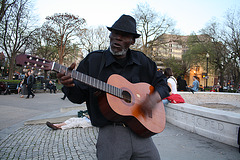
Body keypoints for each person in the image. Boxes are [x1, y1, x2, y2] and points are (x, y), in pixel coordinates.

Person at [57, 14, 170, 160]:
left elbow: (163, 85)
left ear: (132, 41)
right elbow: (78, 97)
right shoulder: (93, 61)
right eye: (115, 33)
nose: (118, 38)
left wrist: (153, 99)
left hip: (141, 131)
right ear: (110, 36)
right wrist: (69, 85)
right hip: (111, 133)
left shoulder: (141, 61)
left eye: (124, 35)